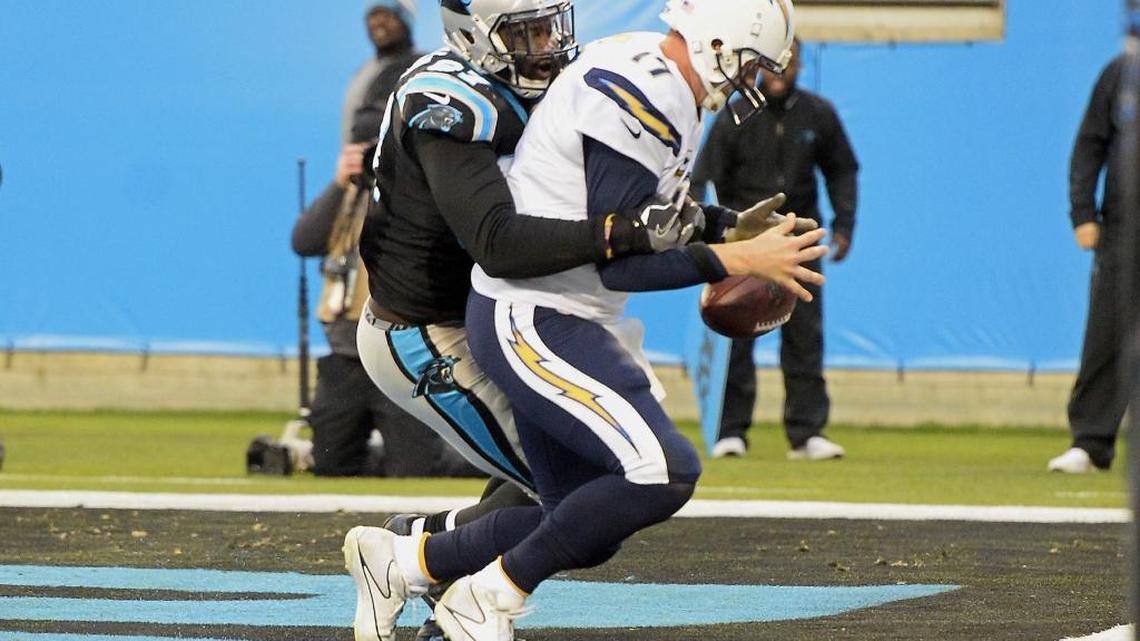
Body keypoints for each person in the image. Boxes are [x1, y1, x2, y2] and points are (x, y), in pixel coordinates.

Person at [344, 1, 821, 640]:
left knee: (579, 511)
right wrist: (718, 254)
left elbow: (628, 209)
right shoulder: (449, 105)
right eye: (524, 32)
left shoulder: (631, 77)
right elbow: (504, 242)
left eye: (549, 26)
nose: (544, 45)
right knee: (601, 495)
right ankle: (454, 593)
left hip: (513, 310)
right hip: (430, 333)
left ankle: (409, 560)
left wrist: (721, 224)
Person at [291, 3, 475, 478]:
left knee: (417, 469)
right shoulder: (346, 199)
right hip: (345, 359)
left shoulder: (413, 199)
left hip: (399, 350)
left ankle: (479, 463)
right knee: (331, 464)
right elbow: (304, 240)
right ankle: (373, 452)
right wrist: (340, 181)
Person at [691, 38, 858, 461]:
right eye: (775, 64)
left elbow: (842, 170)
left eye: (790, 63)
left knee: (805, 336)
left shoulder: (819, 114)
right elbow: (705, 175)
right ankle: (731, 431)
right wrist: (714, 236)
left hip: (797, 245)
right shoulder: (737, 113)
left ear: (800, 65)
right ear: (764, 65)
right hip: (744, 245)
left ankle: (806, 433)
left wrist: (843, 225)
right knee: (736, 332)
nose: (781, 72)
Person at [1048, 54, 1137, 473]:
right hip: (1125, 225)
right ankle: (1091, 441)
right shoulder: (1122, 72)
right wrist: (1082, 213)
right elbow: (1089, 143)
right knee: (1107, 332)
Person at [341, 1, 419, 144]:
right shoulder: (363, 73)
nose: (378, 22)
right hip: (359, 162)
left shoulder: (421, 67)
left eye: (386, 15)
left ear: (404, 21)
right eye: (373, 15)